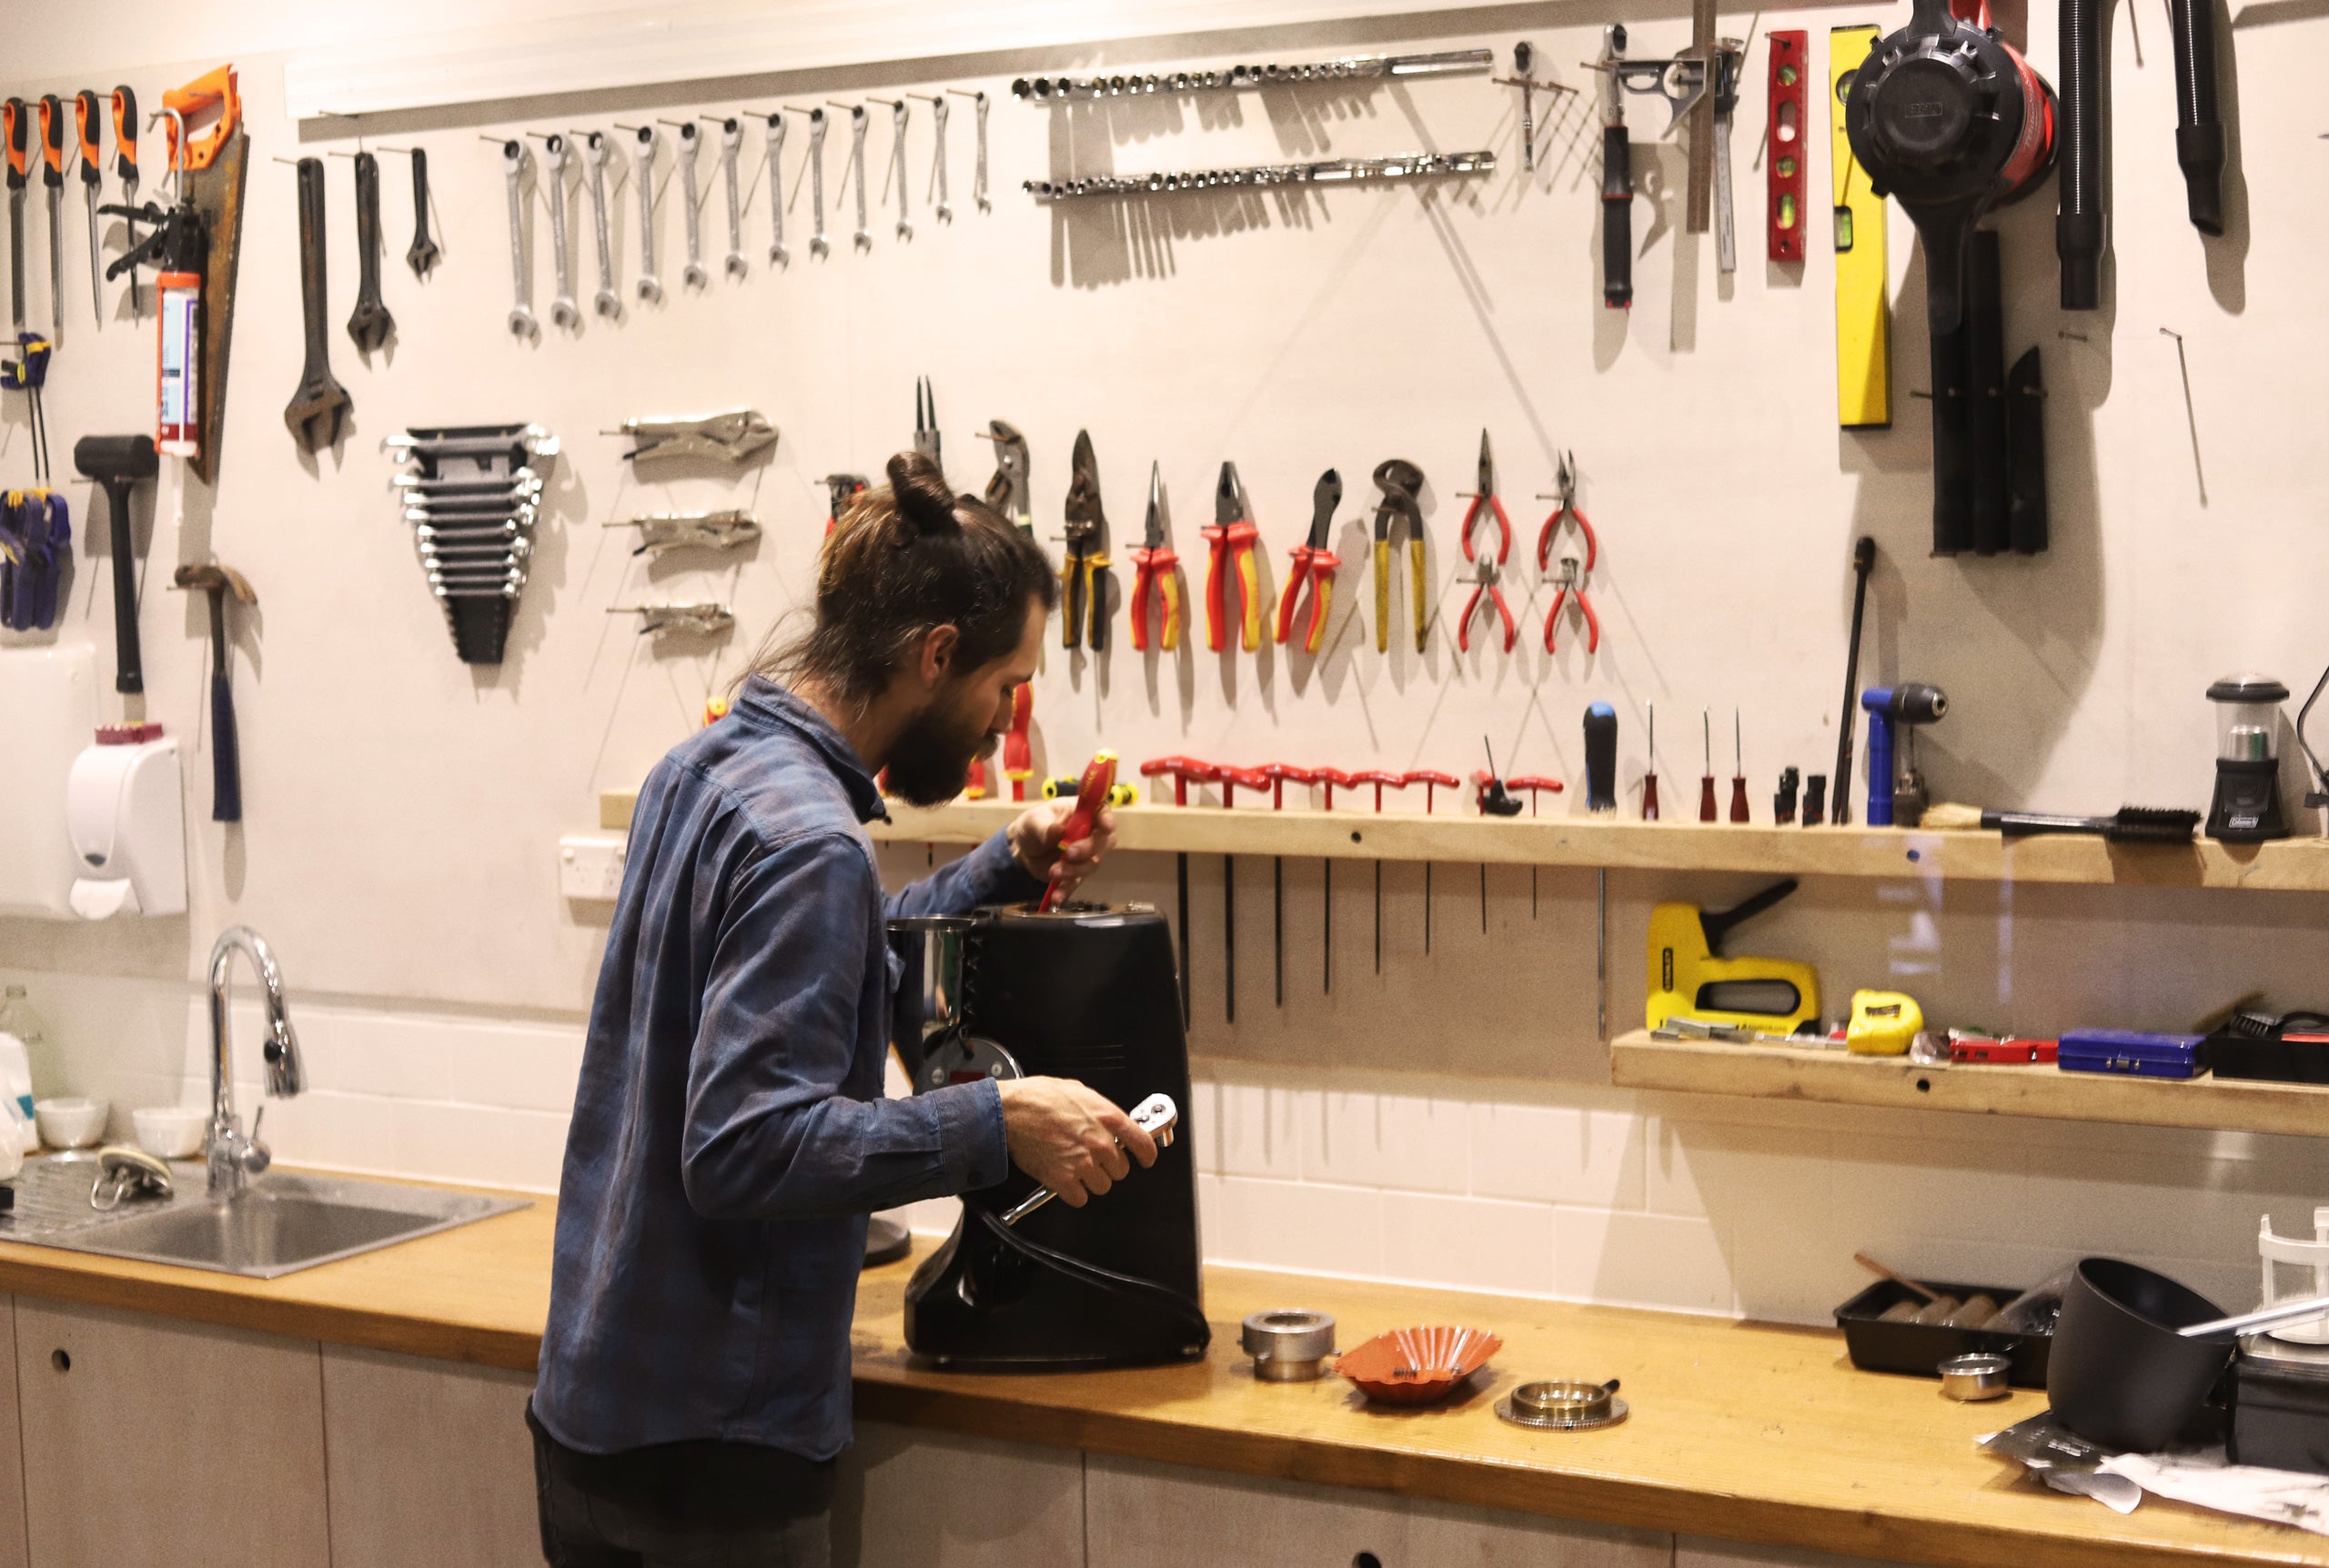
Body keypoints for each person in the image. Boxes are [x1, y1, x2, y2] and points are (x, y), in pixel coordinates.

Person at [529, 451, 1156, 1566]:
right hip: (712, 1471)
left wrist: (1002, 863)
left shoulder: (706, 768)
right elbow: (740, 1146)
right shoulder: (812, 840)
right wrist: (997, 1120)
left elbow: (818, 967)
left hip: (597, 1416)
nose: (1002, 720)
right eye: (1005, 685)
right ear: (934, 654)